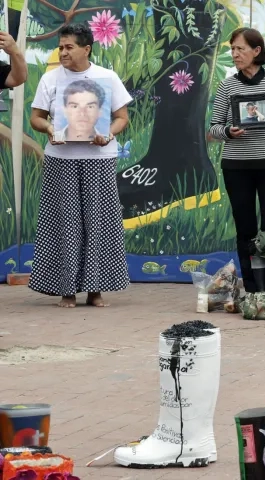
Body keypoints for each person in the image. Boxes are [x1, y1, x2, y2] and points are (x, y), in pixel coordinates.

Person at [28, 23, 131, 308]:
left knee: (99, 222)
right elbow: (35, 118)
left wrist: (108, 134)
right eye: (60, 47)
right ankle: (67, 290)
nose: (63, 52)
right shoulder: (50, 79)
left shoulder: (107, 78)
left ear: (87, 49)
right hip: (61, 159)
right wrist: (50, 129)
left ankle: (95, 290)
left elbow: (122, 117)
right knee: (65, 223)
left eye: (69, 47)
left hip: (99, 159)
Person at [208, 27, 265, 293]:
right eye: (232, 49)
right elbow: (214, 127)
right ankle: (252, 288)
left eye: (240, 49)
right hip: (237, 166)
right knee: (245, 227)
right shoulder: (227, 85)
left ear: (256, 51)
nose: (234, 54)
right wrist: (228, 132)